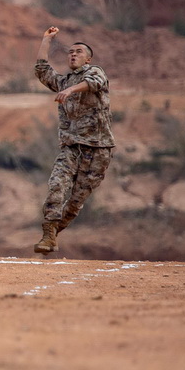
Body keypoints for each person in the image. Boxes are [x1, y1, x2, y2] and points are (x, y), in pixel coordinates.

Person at [32, 26, 115, 253]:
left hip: (98, 149)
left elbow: (94, 83)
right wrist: (46, 40)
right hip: (71, 147)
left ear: (88, 58)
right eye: (70, 52)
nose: (73, 54)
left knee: (76, 202)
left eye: (78, 51)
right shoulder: (64, 81)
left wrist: (71, 91)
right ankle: (48, 235)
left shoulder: (96, 72)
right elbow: (42, 70)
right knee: (57, 184)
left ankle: (54, 234)